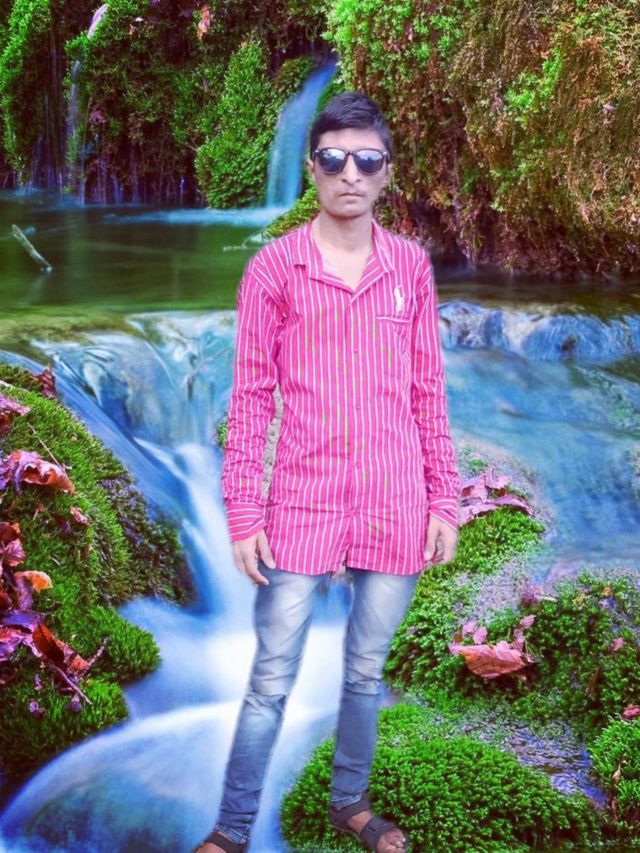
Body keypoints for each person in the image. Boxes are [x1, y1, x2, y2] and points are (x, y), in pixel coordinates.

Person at [194, 91, 461, 853]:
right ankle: (232, 829)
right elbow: (251, 397)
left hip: (393, 500)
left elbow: (427, 390)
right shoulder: (273, 270)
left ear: (386, 172)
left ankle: (350, 803)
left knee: (365, 671)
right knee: (271, 679)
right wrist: (244, 512)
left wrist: (443, 500)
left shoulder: (409, 267)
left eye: (367, 160)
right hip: (302, 504)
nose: (351, 174)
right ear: (311, 168)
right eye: (334, 158)